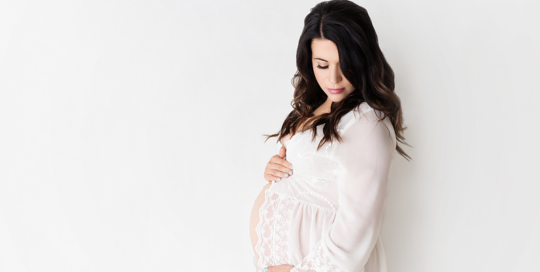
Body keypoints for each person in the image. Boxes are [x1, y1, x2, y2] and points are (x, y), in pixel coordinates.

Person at [248, 1, 411, 271]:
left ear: (362, 59)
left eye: (344, 64)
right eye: (322, 65)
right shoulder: (318, 106)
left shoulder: (367, 122)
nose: (333, 78)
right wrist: (277, 173)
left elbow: (357, 228)